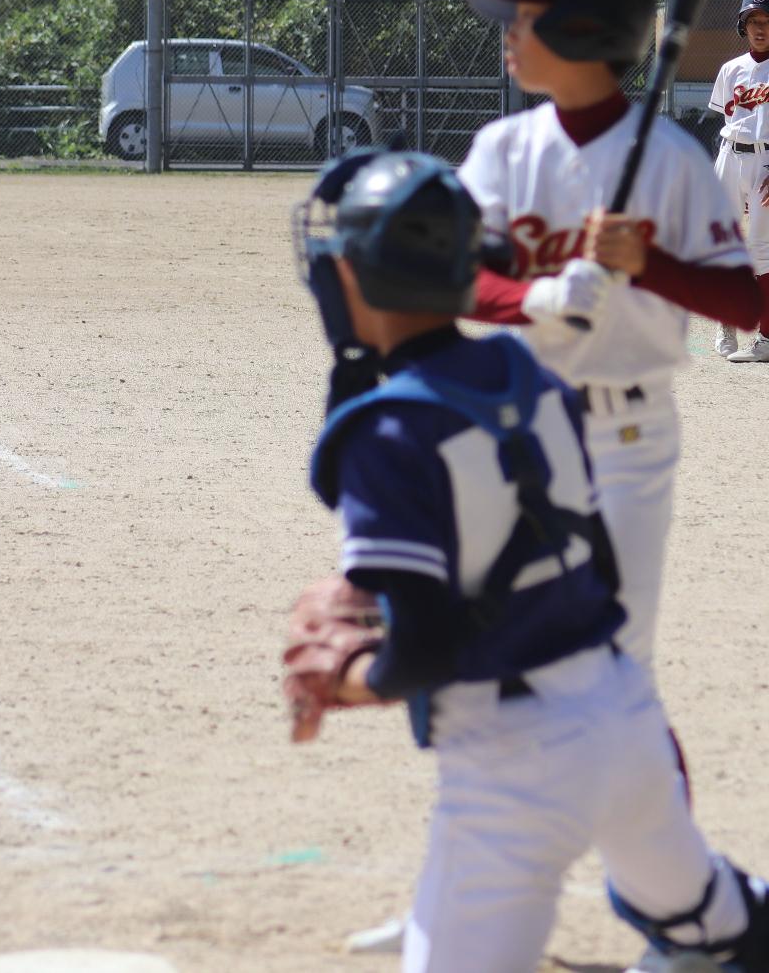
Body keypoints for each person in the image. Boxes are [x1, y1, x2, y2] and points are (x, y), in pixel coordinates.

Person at [285, 148, 769, 973]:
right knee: (723, 921)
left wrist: (343, 675)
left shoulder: (383, 434)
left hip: (514, 760)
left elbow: (427, 650)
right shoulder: (521, 368)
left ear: (359, 280)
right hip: (624, 720)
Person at [455, 0, 760, 671]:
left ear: (581, 28)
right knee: (506, 653)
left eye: (527, 17)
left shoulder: (672, 161)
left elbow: (750, 306)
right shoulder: (504, 148)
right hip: (517, 424)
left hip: (627, 439)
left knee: (609, 658)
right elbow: (451, 276)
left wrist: (648, 262)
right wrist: (537, 298)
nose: (509, 34)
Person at [709, 0, 769, 359]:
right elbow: (727, 119)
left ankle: (765, 340)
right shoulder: (730, 69)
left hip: (766, 163)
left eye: (767, 22)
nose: (761, 28)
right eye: (754, 22)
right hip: (730, 157)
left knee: (762, 250)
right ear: (743, 27)